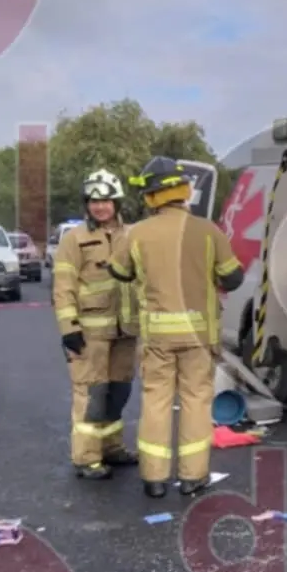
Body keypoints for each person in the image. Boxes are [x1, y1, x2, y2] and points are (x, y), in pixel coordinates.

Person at [108, 156, 244, 498]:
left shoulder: (137, 233)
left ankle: (154, 479)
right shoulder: (209, 231)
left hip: (157, 338)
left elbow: (119, 272)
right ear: (185, 191)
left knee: (156, 402)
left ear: (151, 196)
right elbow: (234, 277)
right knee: (197, 403)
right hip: (200, 338)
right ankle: (192, 477)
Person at [53, 170, 141, 479]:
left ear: (117, 203)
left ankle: (112, 448)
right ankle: (87, 457)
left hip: (126, 332)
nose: (100, 207)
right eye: (93, 201)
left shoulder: (132, 235)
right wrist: (69, 329)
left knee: (118, 393)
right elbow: (63, 287)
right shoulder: (73, 240)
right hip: (90, 334)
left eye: (105, 201)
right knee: (92, 396)